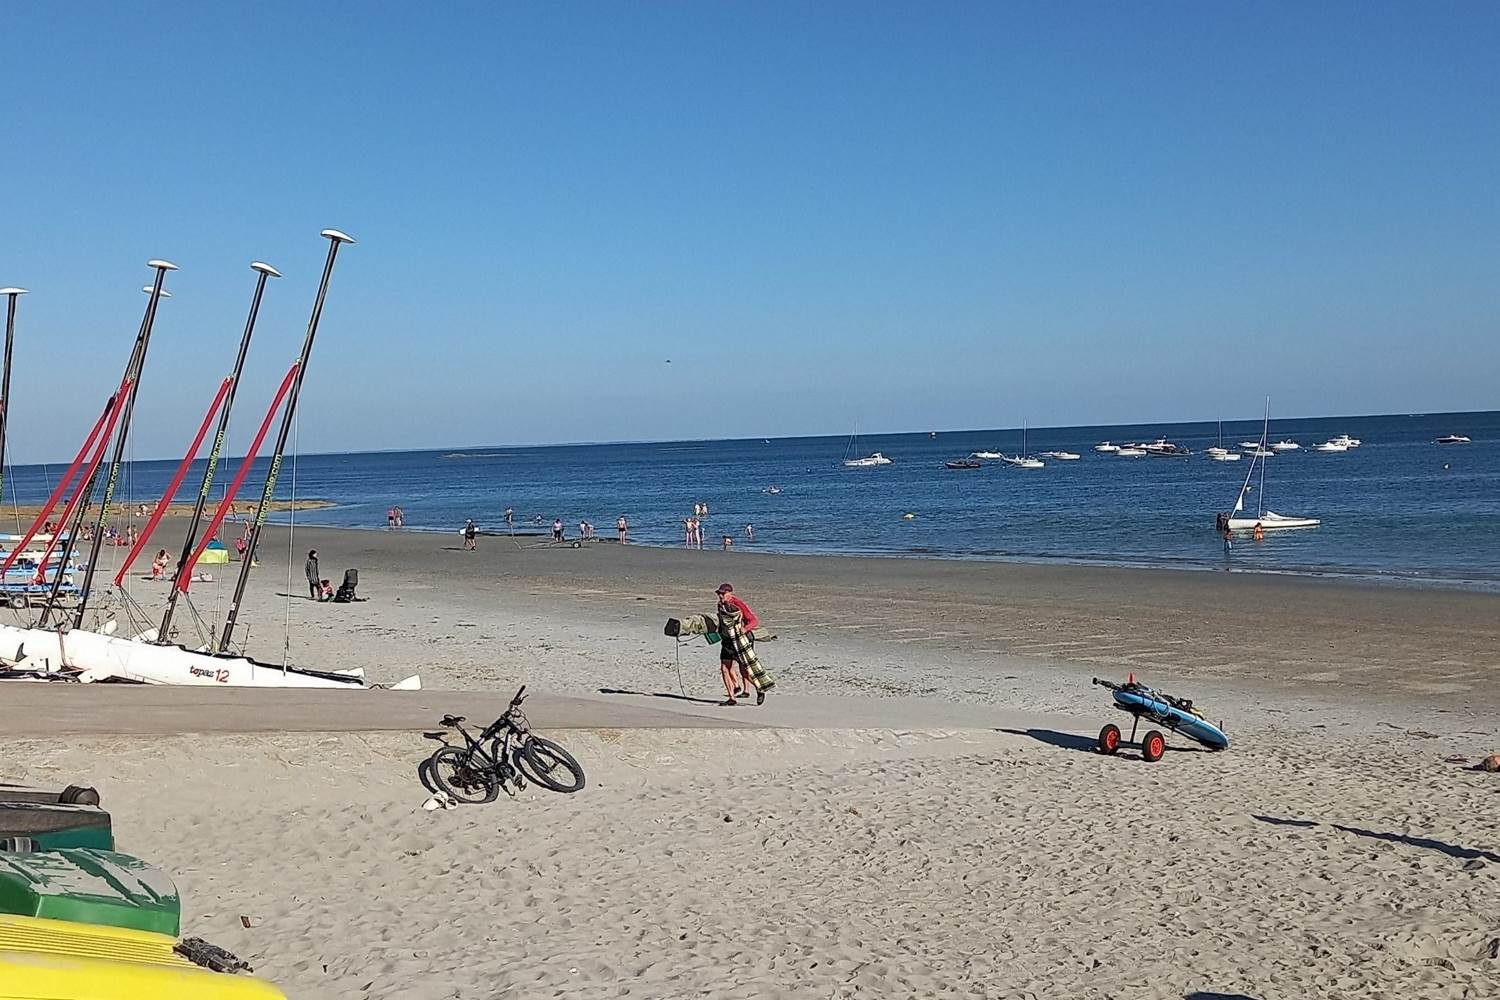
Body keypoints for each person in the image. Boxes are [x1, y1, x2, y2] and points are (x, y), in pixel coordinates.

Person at [715, 583, 772, 706]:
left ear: (730, 593)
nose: (720, 596)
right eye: (719, 593)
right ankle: (731, 698)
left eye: (723, 593)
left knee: (745, 670)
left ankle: (759, 688)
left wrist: (745, 629)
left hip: (741, 640)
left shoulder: (738, 604)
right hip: (727, 640)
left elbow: (754, 621)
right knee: (724, 668)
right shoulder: (720, 605)